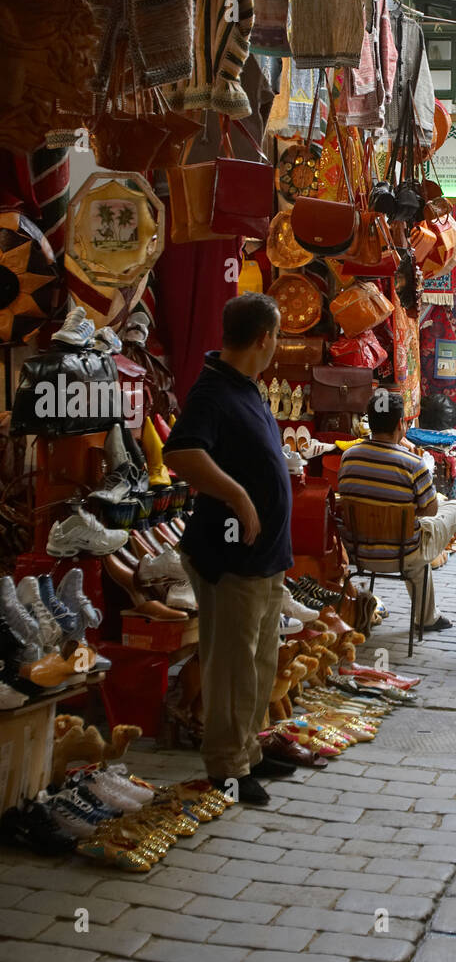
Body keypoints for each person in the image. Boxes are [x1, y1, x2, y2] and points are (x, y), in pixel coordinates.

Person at [163, 294, 293, 807]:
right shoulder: (214, 390)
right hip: (229, 554)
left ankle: (249, 752)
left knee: (260, 661)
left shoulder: (248, 388)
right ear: (263, 337)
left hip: (261, 557)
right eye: (277, 336)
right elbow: (181, 452)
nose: (277, 346)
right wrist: (238, 495)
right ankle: (226, 768)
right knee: (232, 665)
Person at [337, 390, 456, 635]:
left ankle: (428, 616)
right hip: (404, 552)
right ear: (400, 425)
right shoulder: (413, 464)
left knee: (413, 533)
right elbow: (430, 509)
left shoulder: (348, 458)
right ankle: (426, 618)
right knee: (453, 508)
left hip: (360, 551)